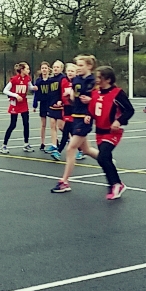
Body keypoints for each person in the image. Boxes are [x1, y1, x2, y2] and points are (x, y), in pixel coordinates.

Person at [82, 65, 134, 200]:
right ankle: (113, 183)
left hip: (112, 132)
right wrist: (89, 115)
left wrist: (119, 121)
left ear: (108, 79)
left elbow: (129, 110)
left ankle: (116, 184)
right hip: (100, 131)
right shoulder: (95, 93)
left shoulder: (117, 93)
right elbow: (93, 109)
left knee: (103, 157)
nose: (97, 79)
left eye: (100, 77)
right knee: (105, 159)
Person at [51, 56, 98, 193]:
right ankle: (107, 162)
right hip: (75, 116)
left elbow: (100, 100)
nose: (78, 68)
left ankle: (64, 181)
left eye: (81, 65)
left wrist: (91, 102)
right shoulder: (76, 80)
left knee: (71, 148)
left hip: (85, 118)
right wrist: (68, 98)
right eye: (77, 65)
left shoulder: (93, 81)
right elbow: (74, 100)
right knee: (86, 150)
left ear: (89, 66)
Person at [0, 61, 36, 154]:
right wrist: (16, 95)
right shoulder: (14, 79)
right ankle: (4, 145)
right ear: (22, 70)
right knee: (13, 124)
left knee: (26, 123)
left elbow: (30, 86)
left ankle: (26, 144)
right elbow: (5, 90)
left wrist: (34, 88)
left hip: (23, 103)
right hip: (15, 103)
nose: (29, 70)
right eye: (27, 69)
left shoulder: (27, 78)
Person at [32, 61, 56, 155]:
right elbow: (36, 94)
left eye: (45, 68)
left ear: (48, 69)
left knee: (53, 124)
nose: (44, 70)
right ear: (41, 70)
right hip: (43, 103)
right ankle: (42, 142)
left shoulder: (52, 80)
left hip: (50, 103)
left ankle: (55, 141)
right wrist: (34, 105)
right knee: (43, 124)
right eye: (42, 68)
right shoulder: (38, 81)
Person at [44, 60, 66, 159]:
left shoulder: (63, 78)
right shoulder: (51, 79)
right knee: (52, 125)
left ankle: (72, 141)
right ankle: (54, 145)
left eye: (58, 67)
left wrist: (61, 101)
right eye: (54, 67)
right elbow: (48, 92)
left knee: (62, 126)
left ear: (61, 69)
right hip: (52, 105)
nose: (55, 68)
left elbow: (64, 91)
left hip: (60, 106)